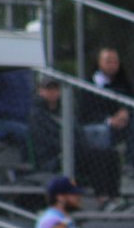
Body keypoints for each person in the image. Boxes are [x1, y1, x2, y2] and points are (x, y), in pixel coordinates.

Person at [29, 79, 122, 207]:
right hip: (54, 158)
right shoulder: (37, 115)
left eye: (55, 89)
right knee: (94, 157)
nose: (53, 92)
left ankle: (115, 196)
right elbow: (45, 142)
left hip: (74, 152)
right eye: (48, 89)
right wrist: (70, 147)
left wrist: (78, 146)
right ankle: (102, 198)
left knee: (110, 154)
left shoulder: (65, 111)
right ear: (40, 91)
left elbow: (79, 135)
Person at [77, 47, 134, 169]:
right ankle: (106, 167)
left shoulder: (122, 81)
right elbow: (85, 113)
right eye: (108, 61)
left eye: (115, 62)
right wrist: (109, 120)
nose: (112, 65)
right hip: (95, 126)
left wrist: (126, 112)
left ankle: (132, 165)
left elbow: (133, 102)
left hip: (119, 126)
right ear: (99, 62)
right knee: (103, 131)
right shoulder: (89, 84)